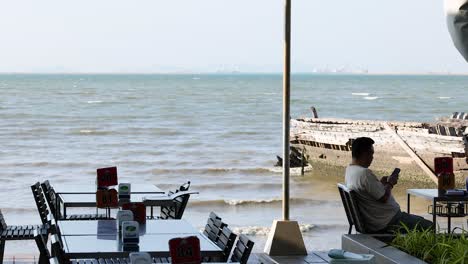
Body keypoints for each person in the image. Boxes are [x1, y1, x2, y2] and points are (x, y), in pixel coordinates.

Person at [345, 137, 433, 233]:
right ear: (364, 154)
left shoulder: (350, 170)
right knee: (430, 226)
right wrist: (390, 183)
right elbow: (383, 198)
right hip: (387, 221)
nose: (372, 157)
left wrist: (381, 184)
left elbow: (368, 191)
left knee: (419, 220)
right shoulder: (364, 173)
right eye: (371, 153)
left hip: (379, 220)